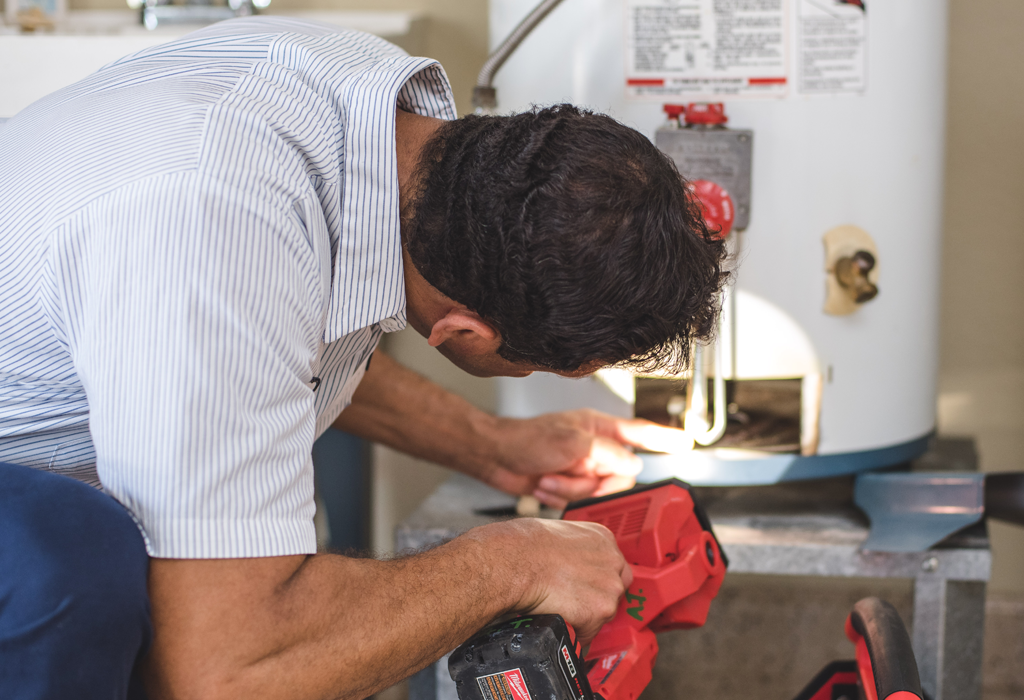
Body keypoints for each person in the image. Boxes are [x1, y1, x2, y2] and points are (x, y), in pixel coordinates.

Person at [0, 16, 725, 700]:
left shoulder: (376, 125)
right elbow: (220, 673)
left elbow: (258, 349)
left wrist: (493, 445)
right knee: (68, 559)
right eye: (541, 366)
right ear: (463, 332)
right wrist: (513, 561)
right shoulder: (210, 236)